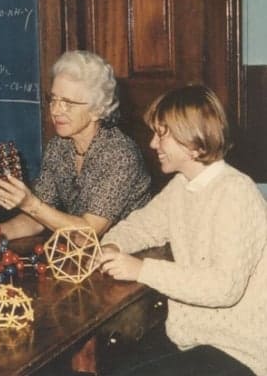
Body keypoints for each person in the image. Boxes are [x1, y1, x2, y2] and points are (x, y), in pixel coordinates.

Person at [99, 85, 266, 376]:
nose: (152, 144)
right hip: (192, 338)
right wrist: (112, 245)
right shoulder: (181, 186)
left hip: (239, 350)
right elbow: (142, 226)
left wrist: (141, 269)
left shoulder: (236, 193)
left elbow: (223, 288)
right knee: (116, 366)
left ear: (194, 144)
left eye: (161, 135)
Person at [0, 50, 151, 240]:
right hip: (83, 257)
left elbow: (88, 232)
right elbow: (38, 217)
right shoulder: (58, 147)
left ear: (97, 110)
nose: (55, 111)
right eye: (53, 99)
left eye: (68, 103)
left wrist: (29, 203)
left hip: (131, 256)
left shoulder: (121, 155)